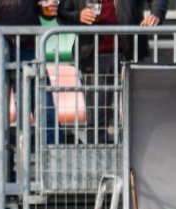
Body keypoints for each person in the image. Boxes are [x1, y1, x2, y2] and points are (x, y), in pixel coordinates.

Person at [57, 0, 166, 143]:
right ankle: (97, 162)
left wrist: (156, 14)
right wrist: (78, 16)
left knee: (135, 118)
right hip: (93, 57)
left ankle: (133, 163)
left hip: (130, 54)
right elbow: (62, 14)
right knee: (97, 119)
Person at [0, 0, 61, 146]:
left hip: (28, 46)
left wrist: (49, 6)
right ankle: (2, 166)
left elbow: (47, 11)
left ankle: (53, 163)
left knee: (44, 108)